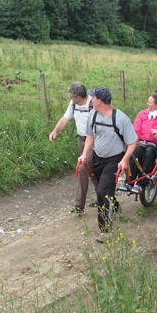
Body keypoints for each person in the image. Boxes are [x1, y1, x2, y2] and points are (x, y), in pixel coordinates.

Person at [78, 86, 137, 243]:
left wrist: (124, 160)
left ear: (100, 101)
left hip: (114, 160)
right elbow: (90, 136)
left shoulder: (121, 119)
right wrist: (84, 154)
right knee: (102, 189)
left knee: (103, 191)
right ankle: (113, 204)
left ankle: (106, 231)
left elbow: (132, 143)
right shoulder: (93, 115)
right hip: (98, 158)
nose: (91, 100)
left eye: (94, 98)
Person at [49, 82, 97, 214]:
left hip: (94, 141)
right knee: (91, 169)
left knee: (83, 168)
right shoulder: (74, 104)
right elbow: (65, 118)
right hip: (81, 140)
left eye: (71, 96)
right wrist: (55, 131)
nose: (70, 98)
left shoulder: (93, 105)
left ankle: (79, 205)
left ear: (79, 97)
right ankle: (104, 197)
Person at [127, 92, 157, 192]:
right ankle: (129, 181)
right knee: (135, 151)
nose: (147, 104)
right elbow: (135, 129)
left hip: (156, 146)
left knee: (149, 152)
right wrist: (137, 139)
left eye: (150, 102)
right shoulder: (142, 114)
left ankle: (141, 183)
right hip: (141, 142)